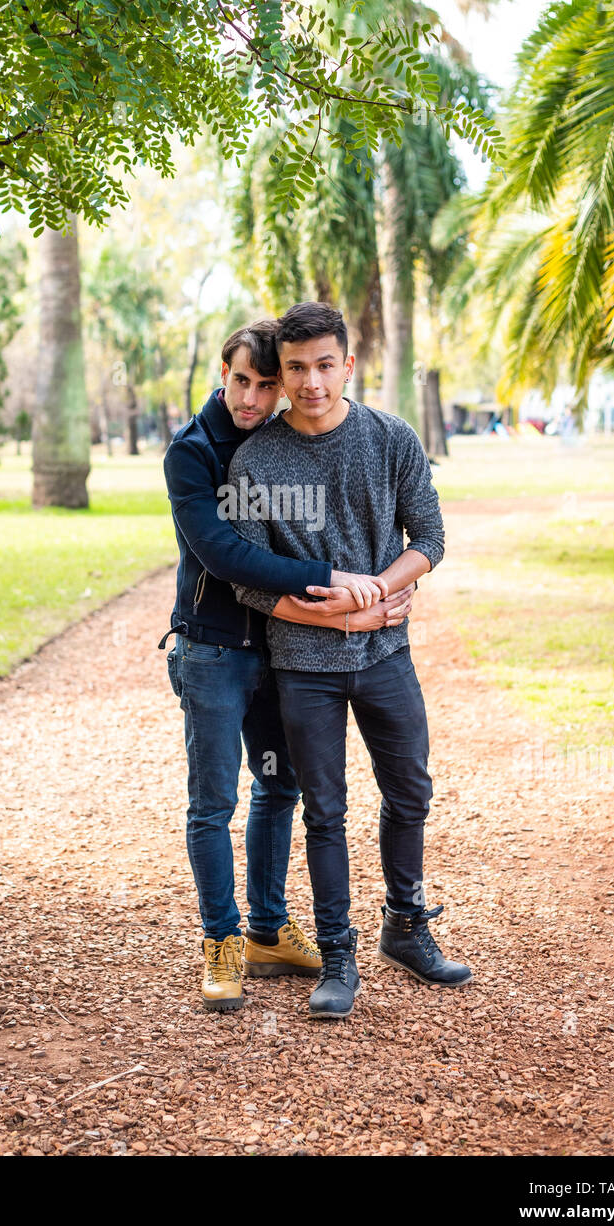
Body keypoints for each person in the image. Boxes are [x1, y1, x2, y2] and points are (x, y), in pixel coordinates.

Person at [229, 302, 472, 1019]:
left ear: (348, 364)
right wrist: (342, 609)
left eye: (323, 365)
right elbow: (248, 579)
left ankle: (406, 926)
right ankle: (337, 955)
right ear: (283, 372)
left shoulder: (390, 438)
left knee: (410, 793)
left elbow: (428, 537)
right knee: (325, 812)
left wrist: (378, 592)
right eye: (296, 368)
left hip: (385, 654)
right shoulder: (255, 460)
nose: (310, 383)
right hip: (302, 665)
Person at [161, 319, 410, 1011]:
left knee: (280, 789)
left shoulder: (277, 444)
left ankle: (268, 929)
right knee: (213, 804)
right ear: (222, 371)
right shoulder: (192, 452)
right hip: (214, 649)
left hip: (279, 652)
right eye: (241, 379)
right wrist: (335, 582)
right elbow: (227, 558)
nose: (251, 396)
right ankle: (221, 942)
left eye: (266, 384)